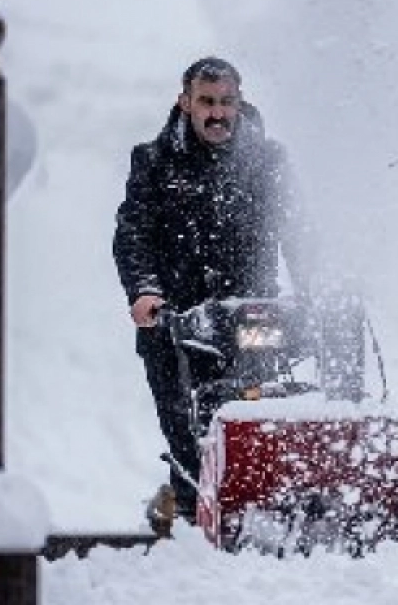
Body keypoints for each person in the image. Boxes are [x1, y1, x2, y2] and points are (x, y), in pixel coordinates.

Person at [112, 55, 305, 527]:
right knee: (185, 428)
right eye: (206, 102)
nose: (217, 113)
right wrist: (145, 292)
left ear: (239, 102)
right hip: (175, 323)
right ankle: (188, 515)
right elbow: (133, 234)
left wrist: (318, 285)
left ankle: (263, 511)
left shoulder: (268, 161)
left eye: (226, 102)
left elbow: (298, 231)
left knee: (255, 413)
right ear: (185, 103)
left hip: (251, 319)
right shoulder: (154, 162)